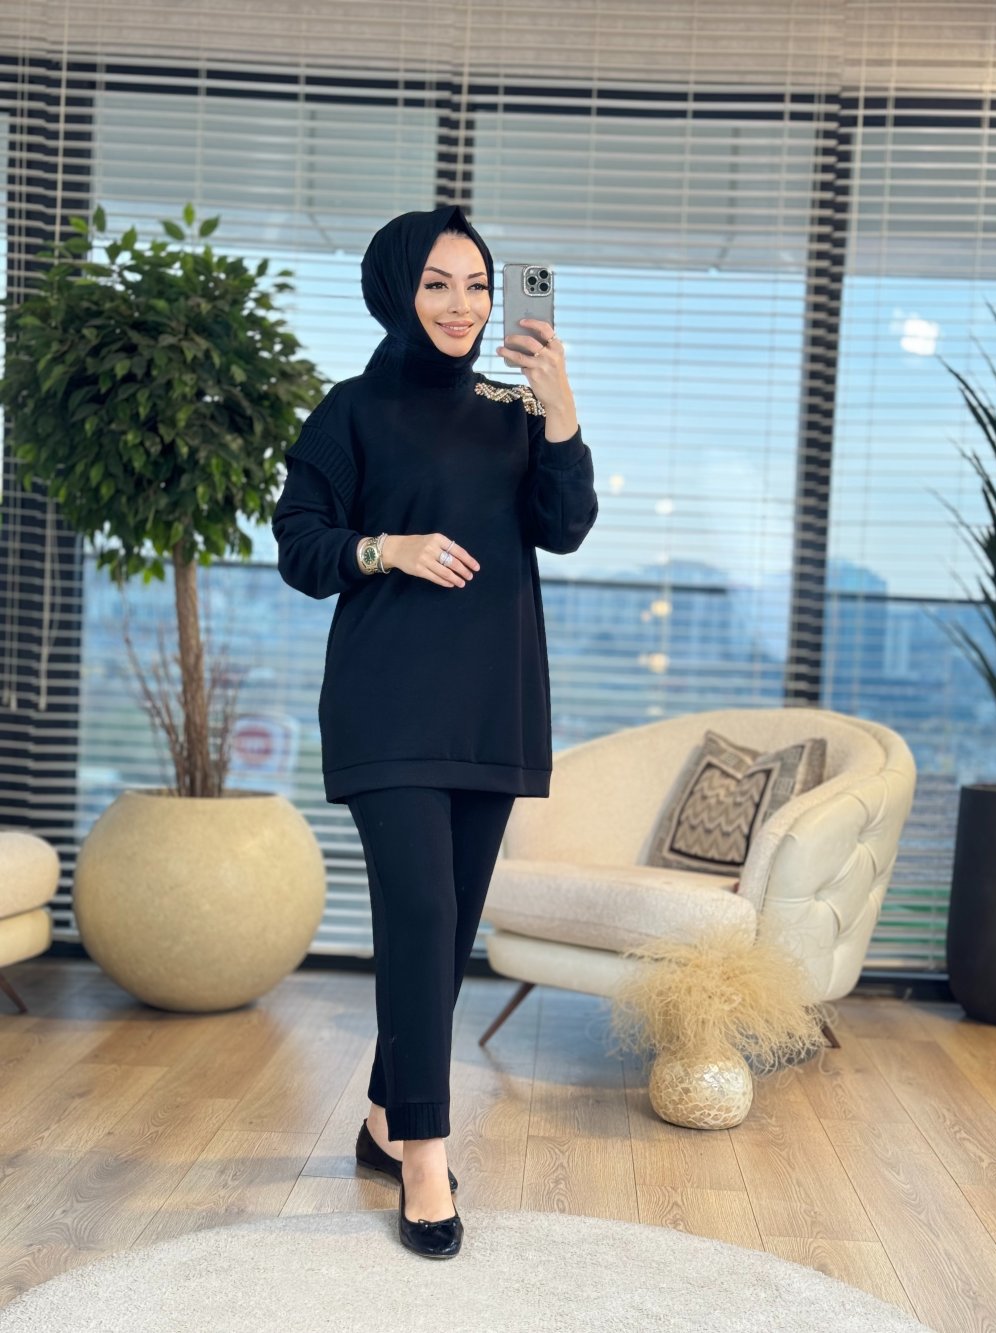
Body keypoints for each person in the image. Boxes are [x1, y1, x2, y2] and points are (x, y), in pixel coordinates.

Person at [271, 203, 599, 1258]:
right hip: (387, 703)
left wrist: (560, 407)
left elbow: (565, 527)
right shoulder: (350, 411)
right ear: (395, 291)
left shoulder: (516, 408)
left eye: (477, 285)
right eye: (437, 284)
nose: (463, 305)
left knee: (444, 935)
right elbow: (300, 545)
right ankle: (424, 1155)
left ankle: (384, 1115)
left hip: (493, 704)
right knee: (418, 913)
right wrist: (388, 548)